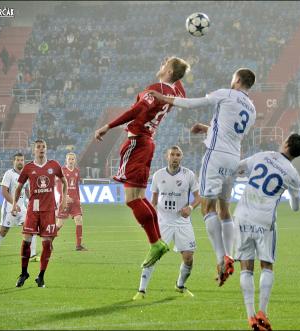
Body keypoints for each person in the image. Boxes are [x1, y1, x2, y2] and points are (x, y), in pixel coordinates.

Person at [149, 68, 257, 286]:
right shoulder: (252, 108)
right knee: (224, 209)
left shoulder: (226, 93)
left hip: (216, 156)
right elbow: (229, 132)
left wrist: (163, 97)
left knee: (207, 208)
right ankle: (230, 253)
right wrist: (208, 129)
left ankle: (221, 258)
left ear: (236, 80)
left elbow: (192, 103)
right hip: (234, 159)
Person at [94, 56, 189, 268]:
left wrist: (107, 126)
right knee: (138, 197)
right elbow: (180, 83)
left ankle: (155, 242)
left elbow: (135, 111)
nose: (161, 65)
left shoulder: (156, 88)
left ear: (170, 72)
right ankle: (159, 242)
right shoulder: (175, 92)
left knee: (131, 199)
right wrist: (176, 66)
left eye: (164, 65)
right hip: (148, 143)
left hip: (137, 143)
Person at [234, 133, 300, 331]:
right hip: (265, 221)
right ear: (298, 153)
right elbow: (295, 207)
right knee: (266, 266)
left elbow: (238, 168)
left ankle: (250, 316)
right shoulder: (292, 174)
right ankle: (262, 313)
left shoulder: (263, 155)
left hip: (242, 216)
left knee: (246, 267)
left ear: (285, 143)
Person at [132, 146, 201, 300]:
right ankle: (141, 290)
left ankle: (180, 285)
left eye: (178, 155)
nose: (175, 157)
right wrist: (147, 218)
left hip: (182, 222)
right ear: (167, 156)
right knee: (154, 254)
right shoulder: (158, 175)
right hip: (163, 222)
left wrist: (190, 207)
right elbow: (154, 201)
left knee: (189, 257)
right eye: (172, 155)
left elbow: (198, 198)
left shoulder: (188, 175)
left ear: (181, 157)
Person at [12, 139, 68, 288]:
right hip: (33, 209)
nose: (41, 149)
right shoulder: (28, 167)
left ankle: (41, 276)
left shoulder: (54, 165)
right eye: (38, 147)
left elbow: (64, 181)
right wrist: (14, 204)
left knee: (47, 244)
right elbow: (18, 188)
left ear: (46, 149)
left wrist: (63, 200)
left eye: (43, 147)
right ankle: (24, 273)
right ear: (34, 150)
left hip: (49, 210)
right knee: (26, 241)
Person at [0, 153, 39, 264]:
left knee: (31, 229)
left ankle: (33, 255)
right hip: (9, 208)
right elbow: (3, 191)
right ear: (13, 162)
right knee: (3, 231)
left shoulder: (26, 175)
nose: (20, 162)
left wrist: (34, 203)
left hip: (23, 209)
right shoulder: (9, 174)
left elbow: (27, 191)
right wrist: (14, 204)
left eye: (22, 160)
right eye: (18, 160)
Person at [55, 152, 87, 251]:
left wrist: (79, 200)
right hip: (65, 201)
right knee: (60, 224)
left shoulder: (77, 171)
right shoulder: (62, 170)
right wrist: (65, 196)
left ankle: (78, 245)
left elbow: (77, 187)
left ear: (75, 160)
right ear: (66, 160)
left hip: (75, 201)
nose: (71, 161)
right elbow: (58, 186)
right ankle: (48, 242)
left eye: (73, 159)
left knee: (79, 220)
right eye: (69, 159)